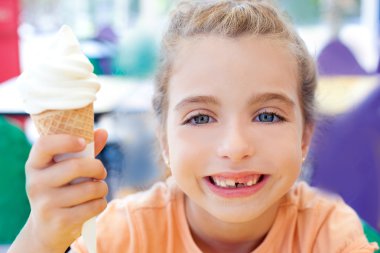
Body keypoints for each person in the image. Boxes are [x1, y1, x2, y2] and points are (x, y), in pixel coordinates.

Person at [9, 0, 379, 252]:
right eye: (200, 118)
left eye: (267, 115)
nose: (234, 146)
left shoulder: (329, 235)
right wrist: (42, 236)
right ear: (164, 140)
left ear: (304, 137)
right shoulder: (125, 235)